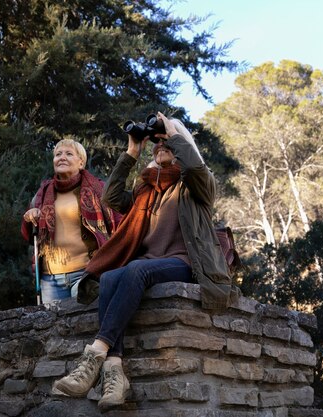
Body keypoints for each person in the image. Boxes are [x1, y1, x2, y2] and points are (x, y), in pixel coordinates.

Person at [51, 112, 239, 411]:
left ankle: (95, 355)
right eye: (158, 144)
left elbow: (193, 164)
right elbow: (110, 198)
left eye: (166, 143)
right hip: (150, 263)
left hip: (187, 264)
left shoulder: (197, 185)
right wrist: (132, 152)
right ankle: (115, 371)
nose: (161, 145)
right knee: (111, 277)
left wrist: (173, 131)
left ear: (179, 146)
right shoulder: (146, 190)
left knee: (136, 268)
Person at [21, 139, 121, 303]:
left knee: (87, 324)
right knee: (54, 327)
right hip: (50, 280)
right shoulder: (42, 194)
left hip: (86, 274)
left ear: (81, 163)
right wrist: (30, 216)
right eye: (58, 154)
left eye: (69, 154)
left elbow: (119, 224)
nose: (62, 157)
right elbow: (28, 235)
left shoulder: (99, 190)